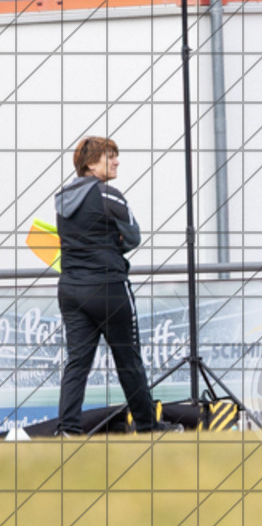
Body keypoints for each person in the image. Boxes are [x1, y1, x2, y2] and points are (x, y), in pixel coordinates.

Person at [54, 137, 179, 436]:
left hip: (70, 289)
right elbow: (133, 236)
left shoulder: (61, 199)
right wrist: (113, 243)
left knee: (77, 363)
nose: (116, 161)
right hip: (108, 288)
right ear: (90, 163)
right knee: (128, 360)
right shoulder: (110, 195)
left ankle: (68, 430)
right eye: (109, 156)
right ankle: (148, 425)